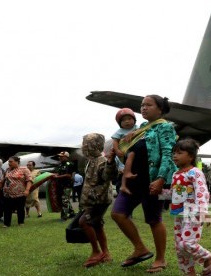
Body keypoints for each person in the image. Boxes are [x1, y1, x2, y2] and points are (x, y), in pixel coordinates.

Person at [111, 94, 176, 273]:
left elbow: (168, 154)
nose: (143, 108)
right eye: (142, 105)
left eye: (148, 105)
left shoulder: (165, 127)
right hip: (134, 179)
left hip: (155, 180)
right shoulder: (141, 129)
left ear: (160, 109)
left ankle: (161, 259)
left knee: (154, 219)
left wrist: (161, 178)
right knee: (118, 213)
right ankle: (140, 248)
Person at [170, 138, 211, 276]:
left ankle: (208, 257)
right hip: (179, 214)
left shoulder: (195, 172)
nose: (175, 156)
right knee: (180, 247)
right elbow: (176, 193)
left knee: (187, 243)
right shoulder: (175, 174)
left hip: (194, 213)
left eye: (179, 153)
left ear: (191, 156)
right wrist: (159, 193)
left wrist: (203, 211)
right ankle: (189, 273)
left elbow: (202, 192)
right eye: (174, 153)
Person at [78, 133, 117, 267]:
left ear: (96, 146)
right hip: (93, 199)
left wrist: (111, 162)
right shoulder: (91, 161)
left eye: (87, 144)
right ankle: (106, 254)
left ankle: (96, 252)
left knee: (84, 222)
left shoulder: (102, 161)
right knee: (97, 225)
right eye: (83, 144)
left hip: (98, 200)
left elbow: (108, 175)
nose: (84, 147)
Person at [0, 156, 32, 227]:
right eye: (8, 162)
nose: (9, 163)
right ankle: (6, 224)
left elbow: (29, 180)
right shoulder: (7, 170)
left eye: (11, 162)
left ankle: (21, 222)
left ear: (17, 162)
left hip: (20, 193)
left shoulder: (24, 169)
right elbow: (2, 181)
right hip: (7, 194)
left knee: (20, 208)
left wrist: (27, 190)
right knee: (7, 209)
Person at [112, 108, 138, 195]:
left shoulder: (137, 128)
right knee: (124, 170)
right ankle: (123, 186)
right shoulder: (120, 132)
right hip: (124, 155)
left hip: (136, 154)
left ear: (134, 120)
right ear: (120, 123)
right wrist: (117, 150)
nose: (127, 121)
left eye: (129, 119)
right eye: (123, 120)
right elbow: (115, 141)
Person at [52, 151, 76, 220]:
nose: (60, 158)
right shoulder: (60, 165)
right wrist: (55, 175)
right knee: (65, 200)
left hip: (67, 185)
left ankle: (63, 216)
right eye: (60, 156)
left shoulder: (69, 164)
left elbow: (69, 175)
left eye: (62, 156)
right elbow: (57, 173)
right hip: (60, 185)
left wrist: (57, 177)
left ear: (66, 157)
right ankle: (72, 213)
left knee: (64, 200)